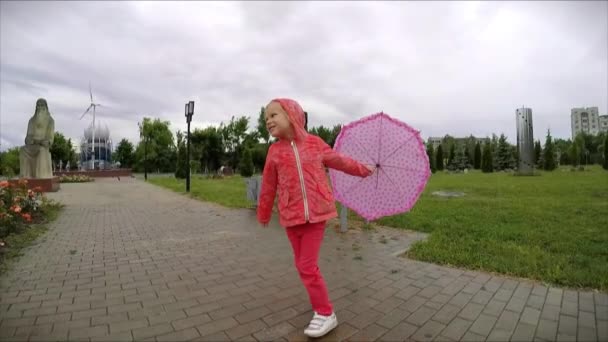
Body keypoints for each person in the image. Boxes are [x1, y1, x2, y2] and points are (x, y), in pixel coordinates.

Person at [257, 98, 374, 338]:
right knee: (302, 266)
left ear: (291, 115)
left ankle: (325, 312)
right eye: (266, 117)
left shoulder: (314, 144)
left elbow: (340, 161)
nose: (268, 120)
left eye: (274, 115)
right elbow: (269, 184)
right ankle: (318, 301)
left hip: (316, 216)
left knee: (306, 265)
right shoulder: (274, 151)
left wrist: (364, 169)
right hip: (291, 217)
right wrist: (264, 211)